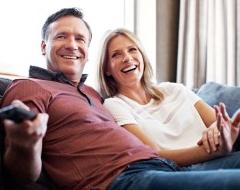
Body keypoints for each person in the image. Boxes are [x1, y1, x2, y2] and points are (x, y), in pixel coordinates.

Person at [0, 8, 240, 190]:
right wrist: (25, 144)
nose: (72, 45)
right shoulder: (29, 87)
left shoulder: (93, 95)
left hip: (161, 168)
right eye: (62, 37)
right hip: (122, 179)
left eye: (80, 39)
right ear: (44, 46)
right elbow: (22, 176)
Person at [97, 27, 240, 167]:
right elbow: (155, 154)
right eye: (116, 54)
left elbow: (218, 123)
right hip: (189, 167)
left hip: (221, 154)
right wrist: (213, 151)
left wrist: (216, 131)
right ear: (106, 69)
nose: (127, 58)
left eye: (132, 50)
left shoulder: (174, 89)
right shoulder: (114, 104)